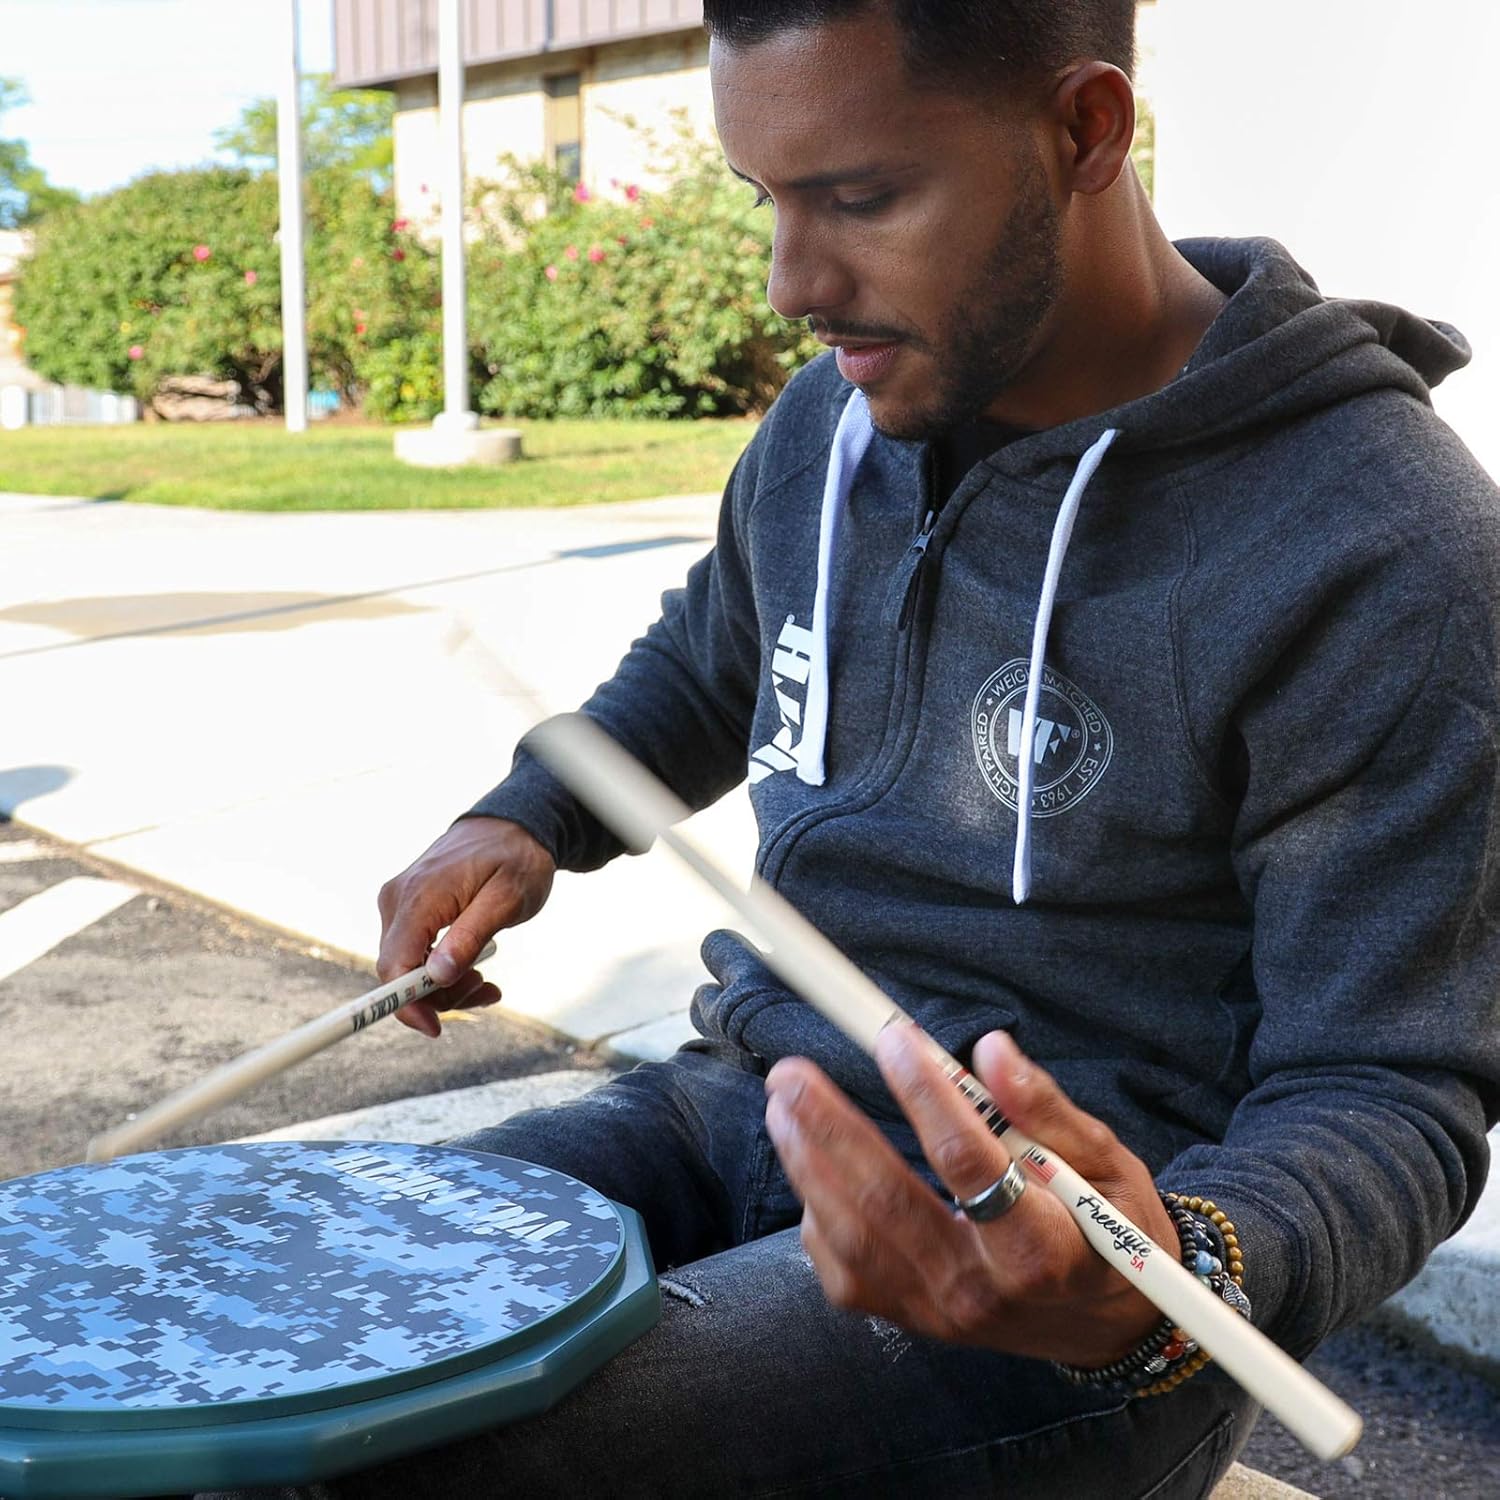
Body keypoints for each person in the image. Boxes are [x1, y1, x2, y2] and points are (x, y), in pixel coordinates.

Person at [228, 3, 1500, 1495]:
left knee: (404, 1457)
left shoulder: (1377, 542)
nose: (793, 284)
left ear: (1087, 130)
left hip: (1062, 1282)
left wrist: (1181, 1272)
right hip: (740, 1108)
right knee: (269, 1321)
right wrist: (530, 815)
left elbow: (1389, 1088)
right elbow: (718, 654)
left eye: (861, 196)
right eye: (767, 199)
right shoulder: (835, 417)